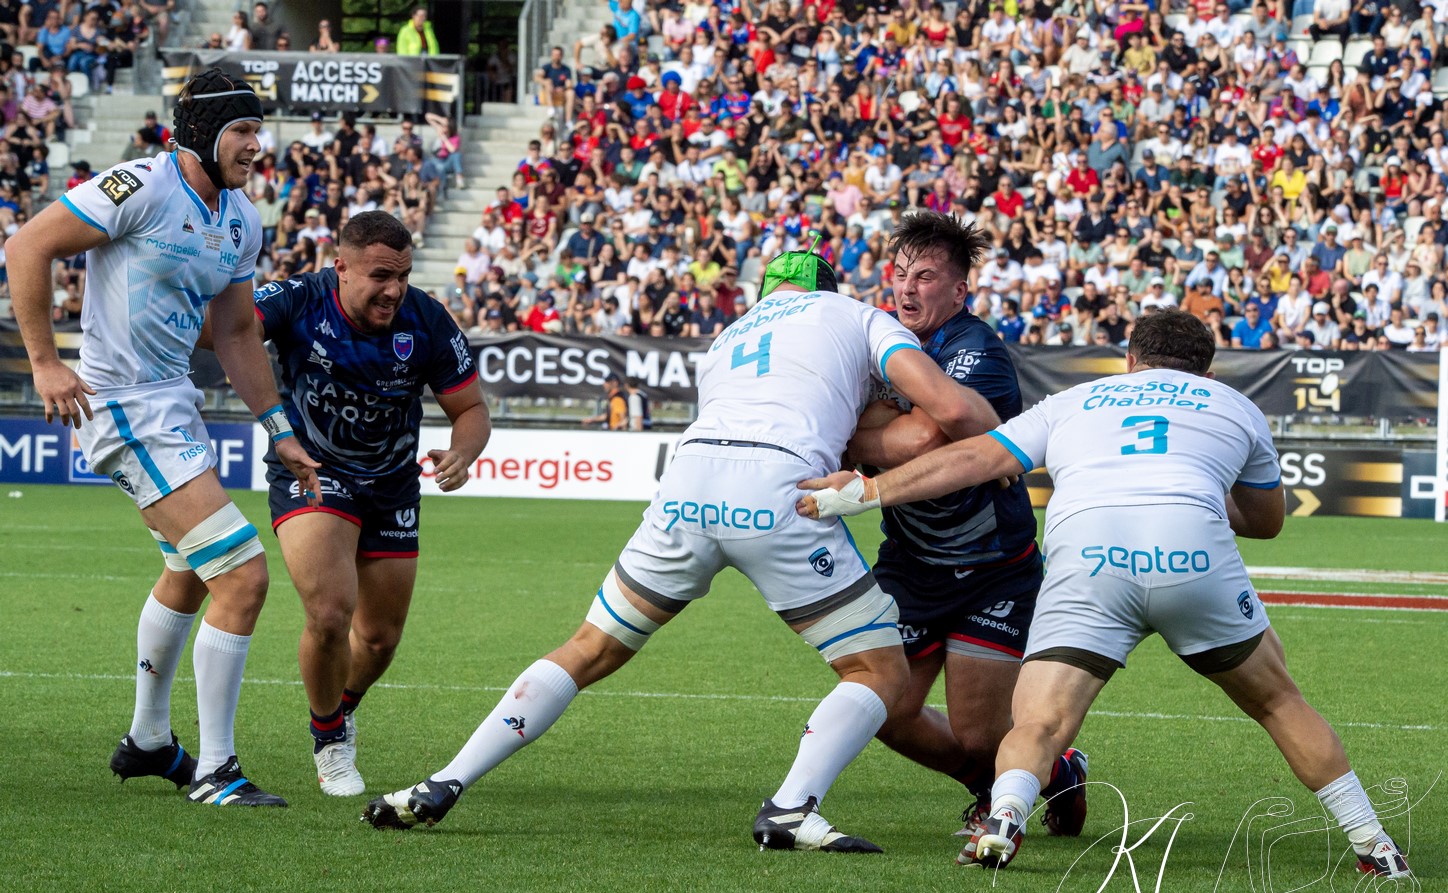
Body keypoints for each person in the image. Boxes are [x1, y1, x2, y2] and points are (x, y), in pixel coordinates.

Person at [361, 246, 1001, 850]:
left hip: (687, 485)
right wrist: (1001, 449)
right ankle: (790, 809)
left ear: (766, 292)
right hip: (777, 489)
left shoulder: (729, 336)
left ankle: (446, 780)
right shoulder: (860, 316)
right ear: (826, 290)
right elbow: (950, 408)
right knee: (878, 671)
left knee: (589, 649)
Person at [797, 310, 1412, 880]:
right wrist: (1187, 482)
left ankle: (1004, 821)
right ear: (1208, 371)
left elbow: (972, 459)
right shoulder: (1236, 405)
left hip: (1091, 559)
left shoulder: (1074, 400)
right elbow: (1264, 520)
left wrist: (857, 494)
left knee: (1039, 720)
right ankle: (1373, 845)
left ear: (1129, 361)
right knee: (1279, 703)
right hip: (1191, 557)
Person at [5, 68, 321, 807]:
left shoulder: (242, 217)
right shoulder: (138, 186)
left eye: (256, 130)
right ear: (205, 132)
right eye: (241, 131)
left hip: (172, 407)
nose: (255, 145)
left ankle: (150, 740)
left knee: (189, 571)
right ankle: (216, 770)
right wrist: (46, 363)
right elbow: (26, 247)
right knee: (242, 573)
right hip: (121, 406)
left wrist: (279, 428)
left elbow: (239, 331)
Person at [850, 211, 1086, 859]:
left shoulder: (975, 350)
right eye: (898, 274)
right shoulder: (881, 343)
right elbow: (877, 434)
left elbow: (929, 436)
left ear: (958, 291)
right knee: (882, 711)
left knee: (979, 732)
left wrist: (863, 430)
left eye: (924, 276)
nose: (906, 288)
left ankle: (1053, 767)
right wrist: (879, 431)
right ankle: (1003, 782)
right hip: (910, 565)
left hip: (993, 567)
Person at [252, 211, 491, 797]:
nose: (394, 290)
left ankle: (342, 707)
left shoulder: (427, 319)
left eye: (403, 276)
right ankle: (329, 737)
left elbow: (471, 410)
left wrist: (463, 452)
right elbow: (229, 326)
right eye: (381, 276)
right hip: (314, 473)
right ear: (342, 267)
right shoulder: (299, 299)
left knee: (380, 638)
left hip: (391, 486)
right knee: (331, 613)